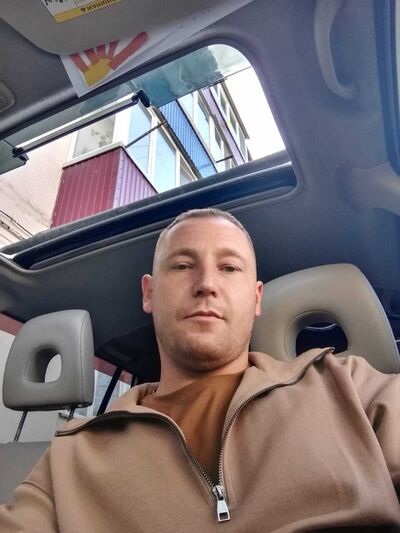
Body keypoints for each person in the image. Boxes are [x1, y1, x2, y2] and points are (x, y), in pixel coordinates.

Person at [1, 207, 400, 532]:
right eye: (181, 266)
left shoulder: (345, 384)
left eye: (229, 268)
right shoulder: (70, 456)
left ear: (256, 298)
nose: (206, 283)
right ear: (149, 293)